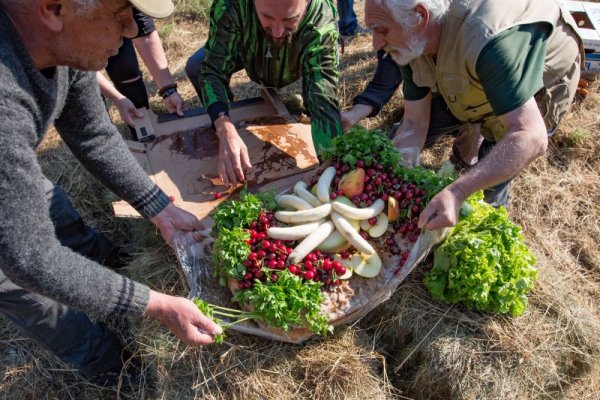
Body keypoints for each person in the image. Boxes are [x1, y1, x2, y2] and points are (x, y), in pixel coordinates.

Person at [0, 0, 221, 389]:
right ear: (53, 9)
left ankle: (103, 262)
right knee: (31, 294)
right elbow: (29, 257)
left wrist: (159, 208)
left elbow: (93, 134)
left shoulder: (66, 43)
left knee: (55, 209)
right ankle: (111, 366)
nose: (133, 32)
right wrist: (153, 304)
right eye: (120, 17)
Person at [364, 0, 583, 230]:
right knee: (449, 113)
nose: (376, 44)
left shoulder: (488, 40)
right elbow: (414, 123)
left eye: (382, 30)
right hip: (475, 64)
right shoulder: (411, 40)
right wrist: (393, 173)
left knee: (484, 196)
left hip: (539, 76)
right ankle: (464, 158)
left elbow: (530, 135)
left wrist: (459, 190)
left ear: (420, 16)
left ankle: (490, 215)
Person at [185, 0, 342, 187]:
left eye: (289, 19)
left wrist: (331, 165)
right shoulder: (231, 5)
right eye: (266, 17)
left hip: (298, 53)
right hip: (248, 48)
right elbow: (213, 71)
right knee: (196, 67)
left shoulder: (322, 21)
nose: (277, 31)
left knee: (316, 105)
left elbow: (323, 97)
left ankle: (296, 106)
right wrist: (224, 127)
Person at [97, 7, 185, 134]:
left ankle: (143, 133)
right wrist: (116, 98)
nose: (131, 31)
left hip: (105, 16)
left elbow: (142, 27)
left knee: (127, 69)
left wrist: (168, 90)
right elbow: (78, 70)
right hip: (70, 37)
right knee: (87, 98)